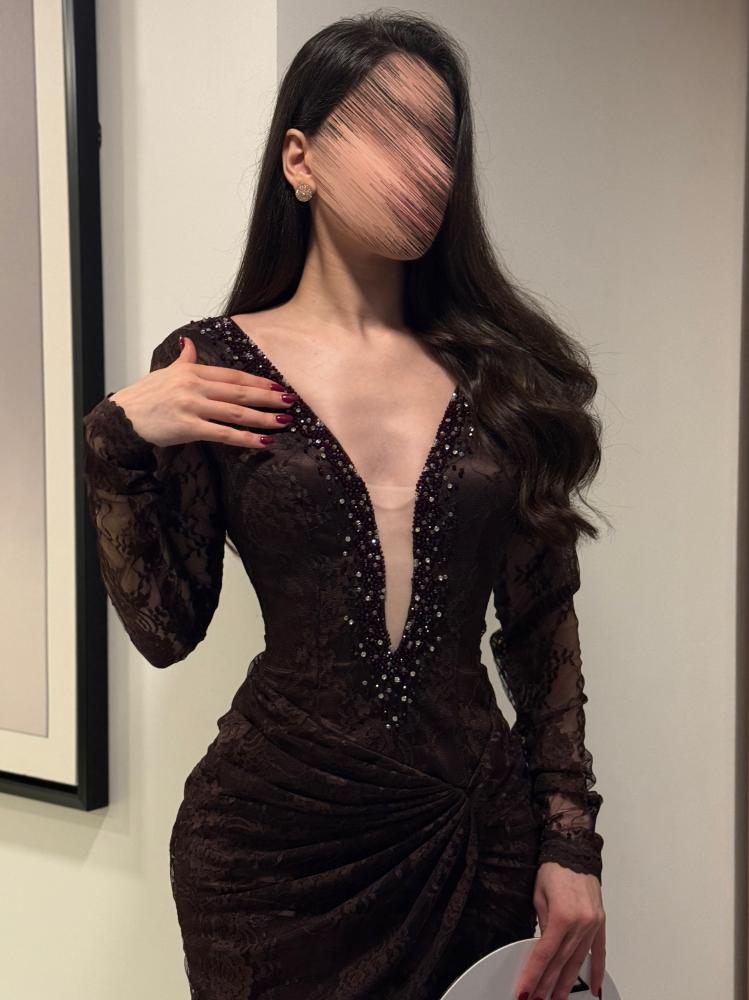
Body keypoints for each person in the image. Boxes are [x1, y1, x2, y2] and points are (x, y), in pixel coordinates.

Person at [82, 11, 608, 1000]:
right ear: (301, 158)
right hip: (270, 859)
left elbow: (540, 624)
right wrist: (116, 439)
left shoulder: (502, 379)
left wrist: (569, 839)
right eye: (390, 128)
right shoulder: (213, 367)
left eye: (442, 141)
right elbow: (166, 628)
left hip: (471, 840)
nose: (426, 166)